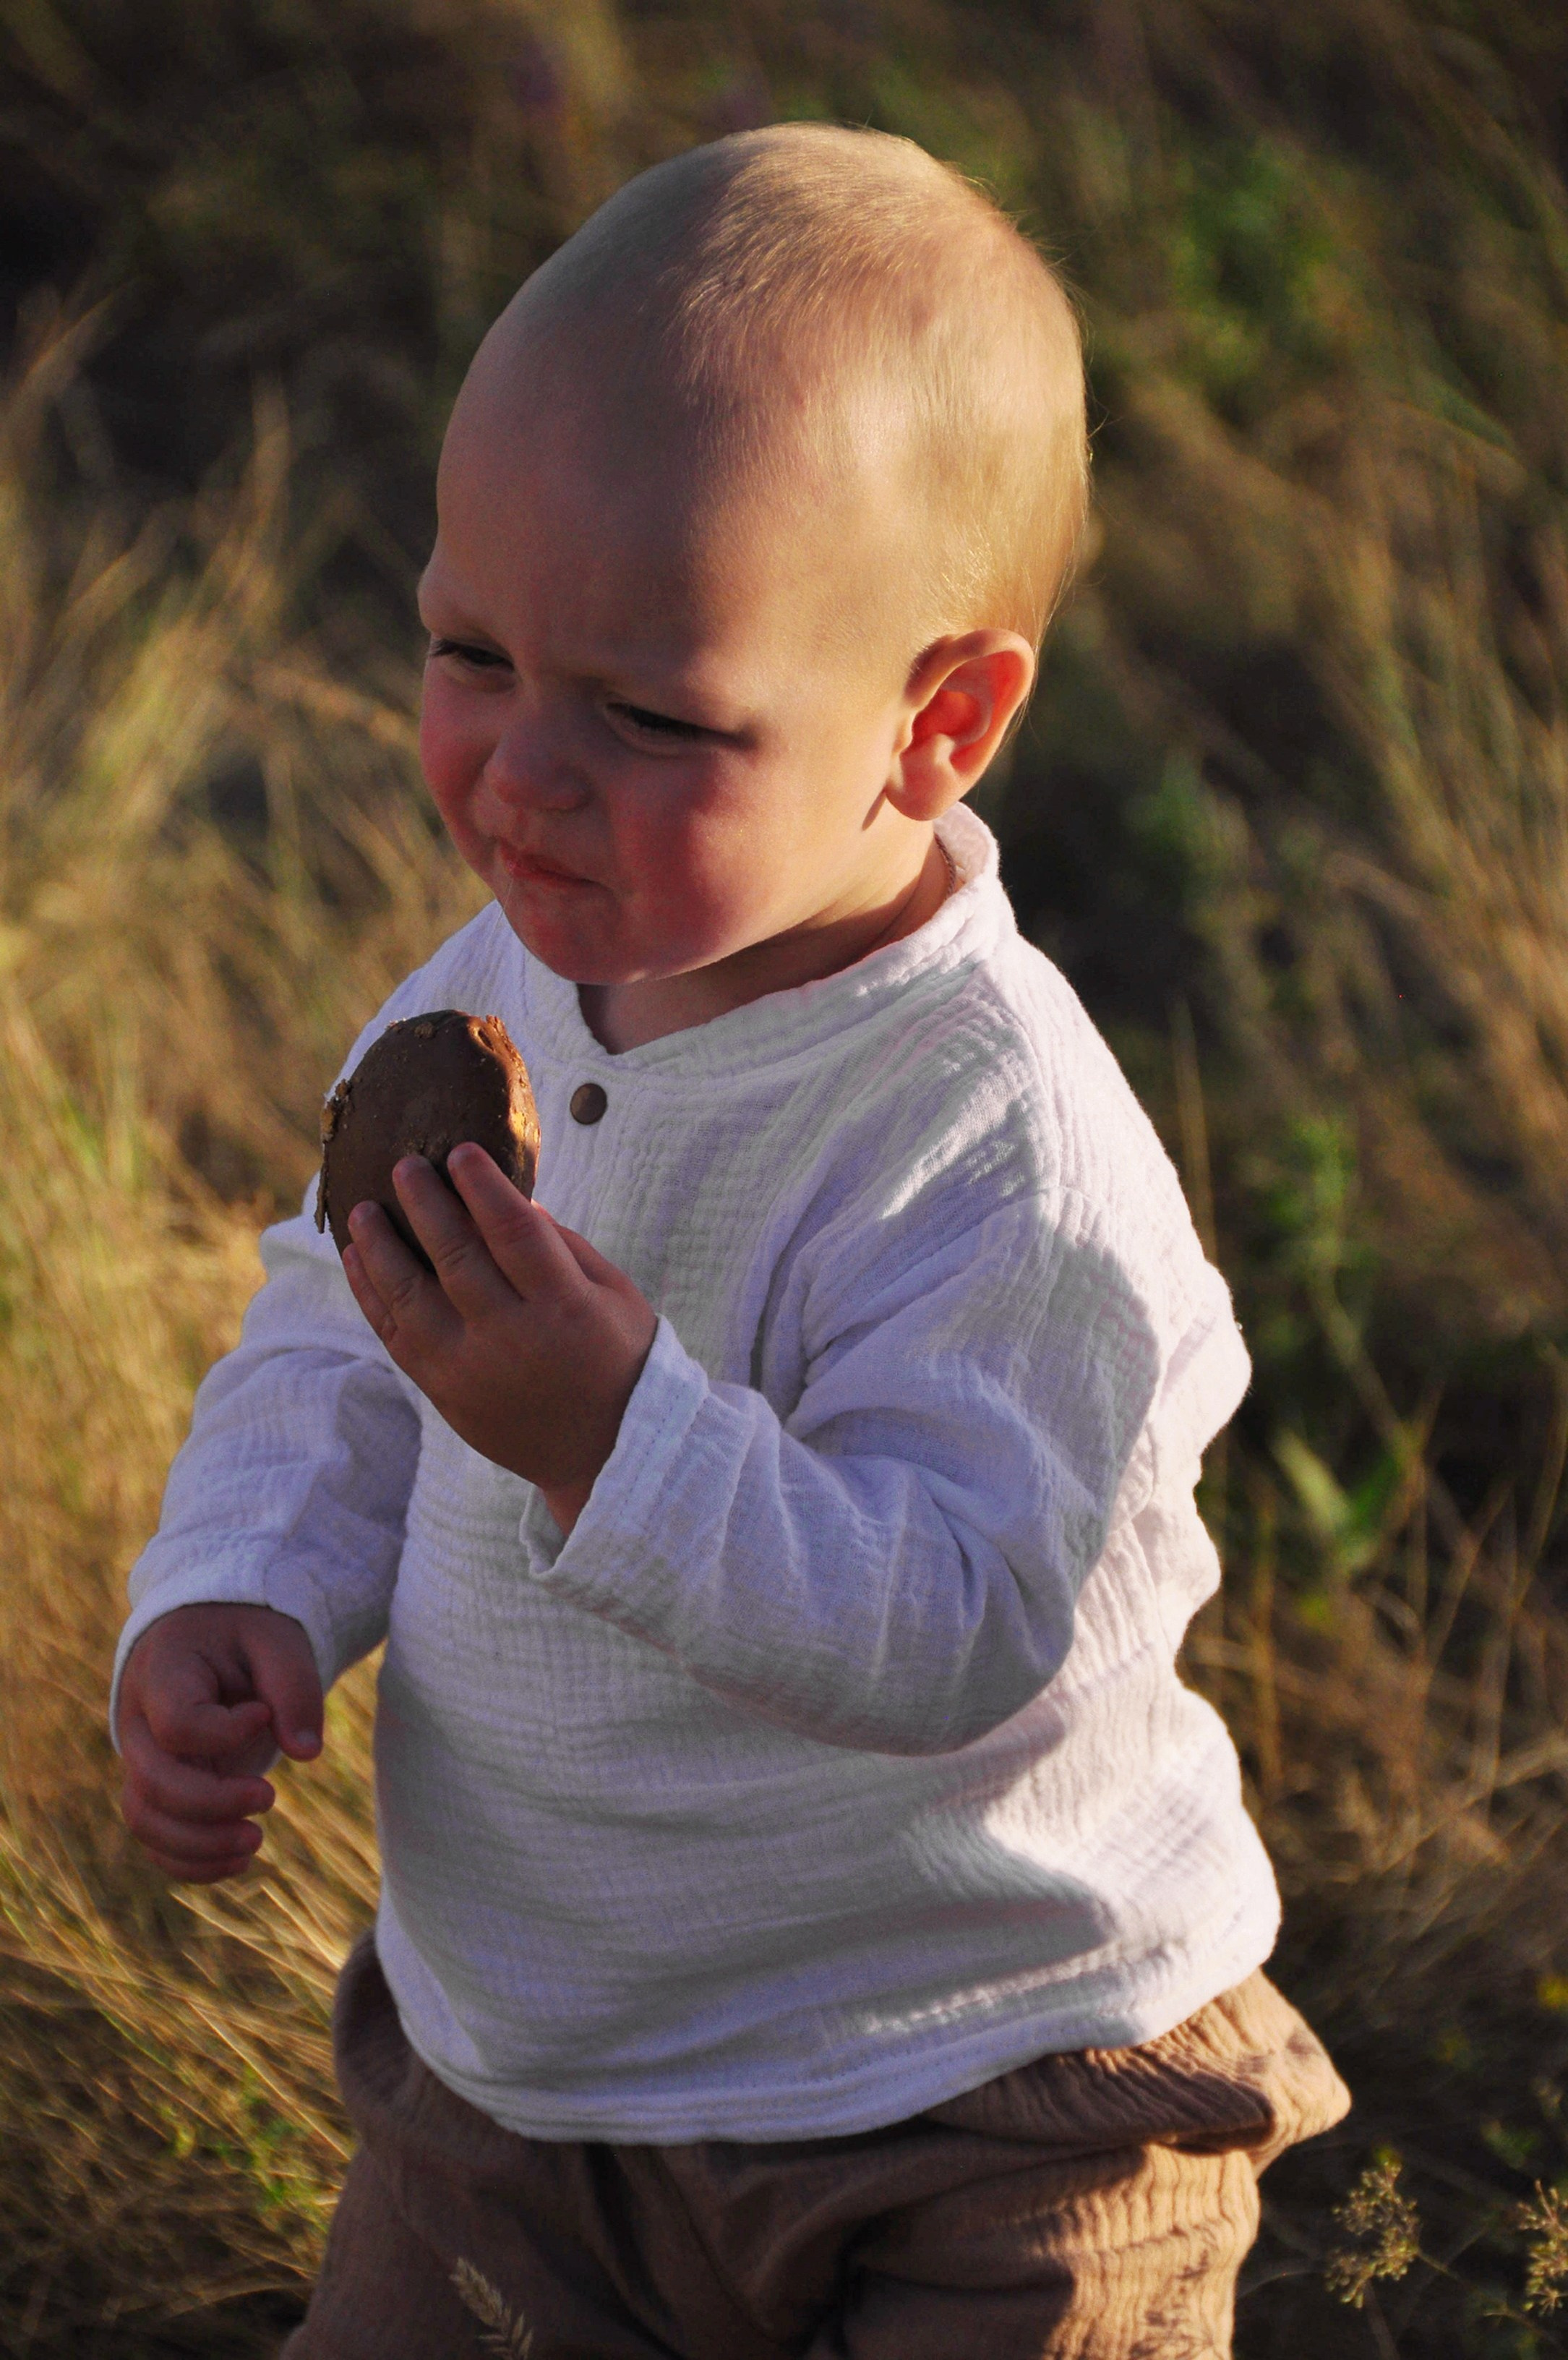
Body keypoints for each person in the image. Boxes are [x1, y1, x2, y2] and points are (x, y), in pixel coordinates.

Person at [111, 123, 1348, 2359]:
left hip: (981, 2079)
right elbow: (335, 1320)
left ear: (935, 723)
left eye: (654, 714)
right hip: (531, 2070)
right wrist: (243, 1578)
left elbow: (964, 1621)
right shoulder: (474, 990)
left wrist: (611, 1438)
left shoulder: (990, 1140)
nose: (516, 775)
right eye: (468, 651)